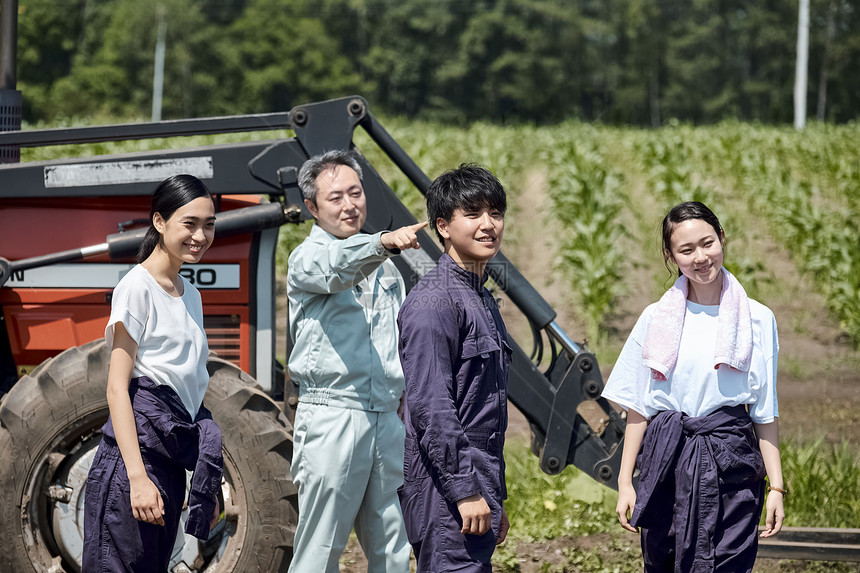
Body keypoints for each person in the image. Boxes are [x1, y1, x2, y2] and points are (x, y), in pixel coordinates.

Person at [602, 201, 785, 572]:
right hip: (667, 461)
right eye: (686, 250)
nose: (701, 257)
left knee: (729, 562)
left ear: (721, 238)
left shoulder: (757, 318)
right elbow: (640, 406)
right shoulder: (656, 318)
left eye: (707, 243)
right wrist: (625, 482)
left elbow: (765, 411)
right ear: (672, 256)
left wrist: (777, 488)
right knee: (665, 560)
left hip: (731, 463)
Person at [287, 150, 424, 572]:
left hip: (385, 417)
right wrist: (382, 242)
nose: (350, 205)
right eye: (335, 198)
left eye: (356, 193)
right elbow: (338, 268)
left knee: (394, 551)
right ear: (312, 207)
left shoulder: (386, 271)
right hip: (333, 415)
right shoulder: (307, 258)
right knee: (321, 549)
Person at [83, 174, 223, 572]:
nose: (200, 235)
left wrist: (205, 486)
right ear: (159, 222)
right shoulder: (137, 287)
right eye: (189, 223)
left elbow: (189, 391)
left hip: (170, 461)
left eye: (209, 224)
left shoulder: (189, 293)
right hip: (137, 461)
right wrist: (138, 479)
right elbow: (116, 389)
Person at [397, 164, 511, 572]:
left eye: (495, 213)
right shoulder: (435, 302)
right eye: (474, 213)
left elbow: (485, 413)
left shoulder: (479, 297)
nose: (488, 225)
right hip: (444, 494)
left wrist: (493, 496)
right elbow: (431, 408)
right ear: (442, 226)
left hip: (473, 486)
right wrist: (464, 491)